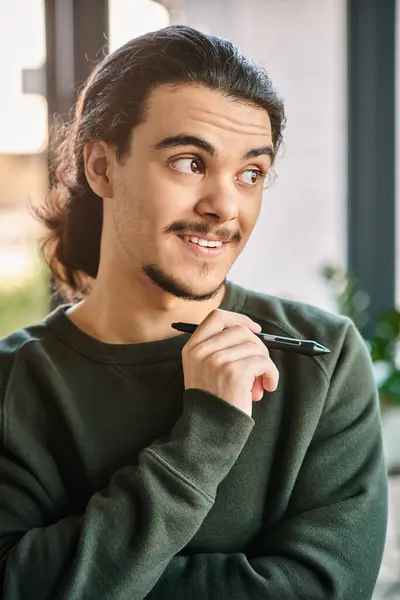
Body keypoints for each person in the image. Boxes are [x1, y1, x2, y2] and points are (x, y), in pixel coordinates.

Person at [0, 25, 387, 600]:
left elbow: (324, 588)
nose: (224, 206)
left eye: (250, 173)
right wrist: (206, 436)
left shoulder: (324, 357)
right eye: (189, 162)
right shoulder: (13, 381)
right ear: (102, 167)